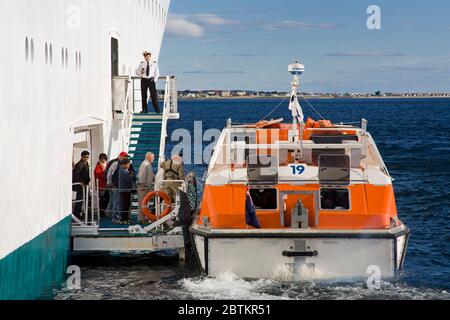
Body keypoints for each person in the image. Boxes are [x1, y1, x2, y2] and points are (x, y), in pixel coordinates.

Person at [106, 152, 129, 223]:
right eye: (124, 156)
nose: (126, 158)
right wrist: (109, 183)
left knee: (113, 201)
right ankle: (114, 217)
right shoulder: (115, 164)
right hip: (115, 185)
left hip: (116, 185)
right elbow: (110, 173)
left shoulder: (118, 164)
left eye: (126, 157)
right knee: (115, 202)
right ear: (120, 156)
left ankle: (109, 215)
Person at [137, 152, 156, 224]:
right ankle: (141, 219)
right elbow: (141, 175)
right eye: (153, 157)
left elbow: (151, 175)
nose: (154, 159)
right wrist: (142, 185)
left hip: (146, 187)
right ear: (148, 157)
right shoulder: (145, 164)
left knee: (144, 203)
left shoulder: (148, 164)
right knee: (142, 203)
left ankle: (144, 218)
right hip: (143, 187)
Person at [72, 151, 91, 219]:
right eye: (85, 157)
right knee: (80, 199)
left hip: (85, 185)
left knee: (87, 199)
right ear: (82, 156)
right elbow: (76, 175)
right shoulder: (79, 164)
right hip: (81, 186)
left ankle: (86, 213)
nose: (87, 158)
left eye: (88, 157)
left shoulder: (85, 163)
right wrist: (81, 182)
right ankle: (77, 214)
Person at [118, 158, 135, 224]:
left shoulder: (124, 170)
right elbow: (128, 178)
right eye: (128, 164)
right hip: (124, 190)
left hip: (126, 190)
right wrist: (131, 175)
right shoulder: (122, 171)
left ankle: (126, 218)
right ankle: (123, 219)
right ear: (125, 164)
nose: (129, 165)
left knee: (126, 205)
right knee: (124, 205)